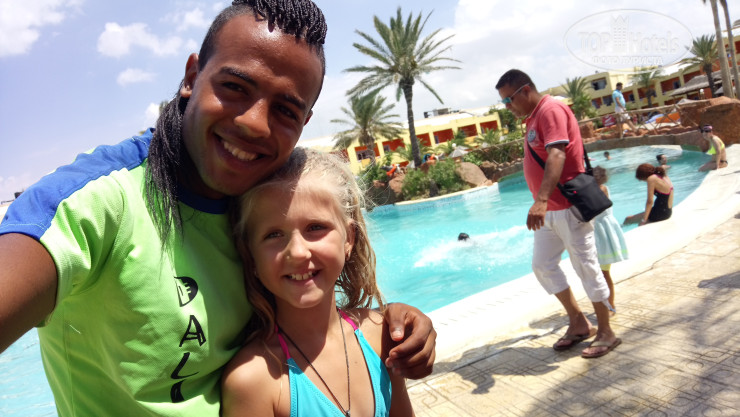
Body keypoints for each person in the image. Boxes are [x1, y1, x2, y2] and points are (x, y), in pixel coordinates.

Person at [0, 2, 435, 416]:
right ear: (192, 76)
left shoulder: (260, 198)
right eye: (235, 87)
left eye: (285, 110)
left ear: (304, 123)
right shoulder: (98, 202)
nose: (254, 123)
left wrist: (394, 321)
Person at [222, 148, 413, 416]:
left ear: (349, 238)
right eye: (273, 234)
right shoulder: (254, 381)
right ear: (251, 255)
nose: (298, 252)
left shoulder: (380, 335)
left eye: (315, 228)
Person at [495, 69, 620, 359]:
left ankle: (606, 331)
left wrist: (541, 199)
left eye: (509, 99)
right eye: (503, 102)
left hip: (565, 206)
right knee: (542, 265)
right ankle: (578, 322)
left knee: (586, 267)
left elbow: (557, 154)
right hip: (549, 211)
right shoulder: (533, 117)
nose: (507, 106)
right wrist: (542, 203)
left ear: (526, 90)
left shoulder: (550, 110)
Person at [591, 167, 629, 314]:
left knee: (603, 273)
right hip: (607, 232)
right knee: (604, 272)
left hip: (602, 235)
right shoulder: (604, 188)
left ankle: (610, 305)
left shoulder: (597, 191)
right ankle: (609, 304)